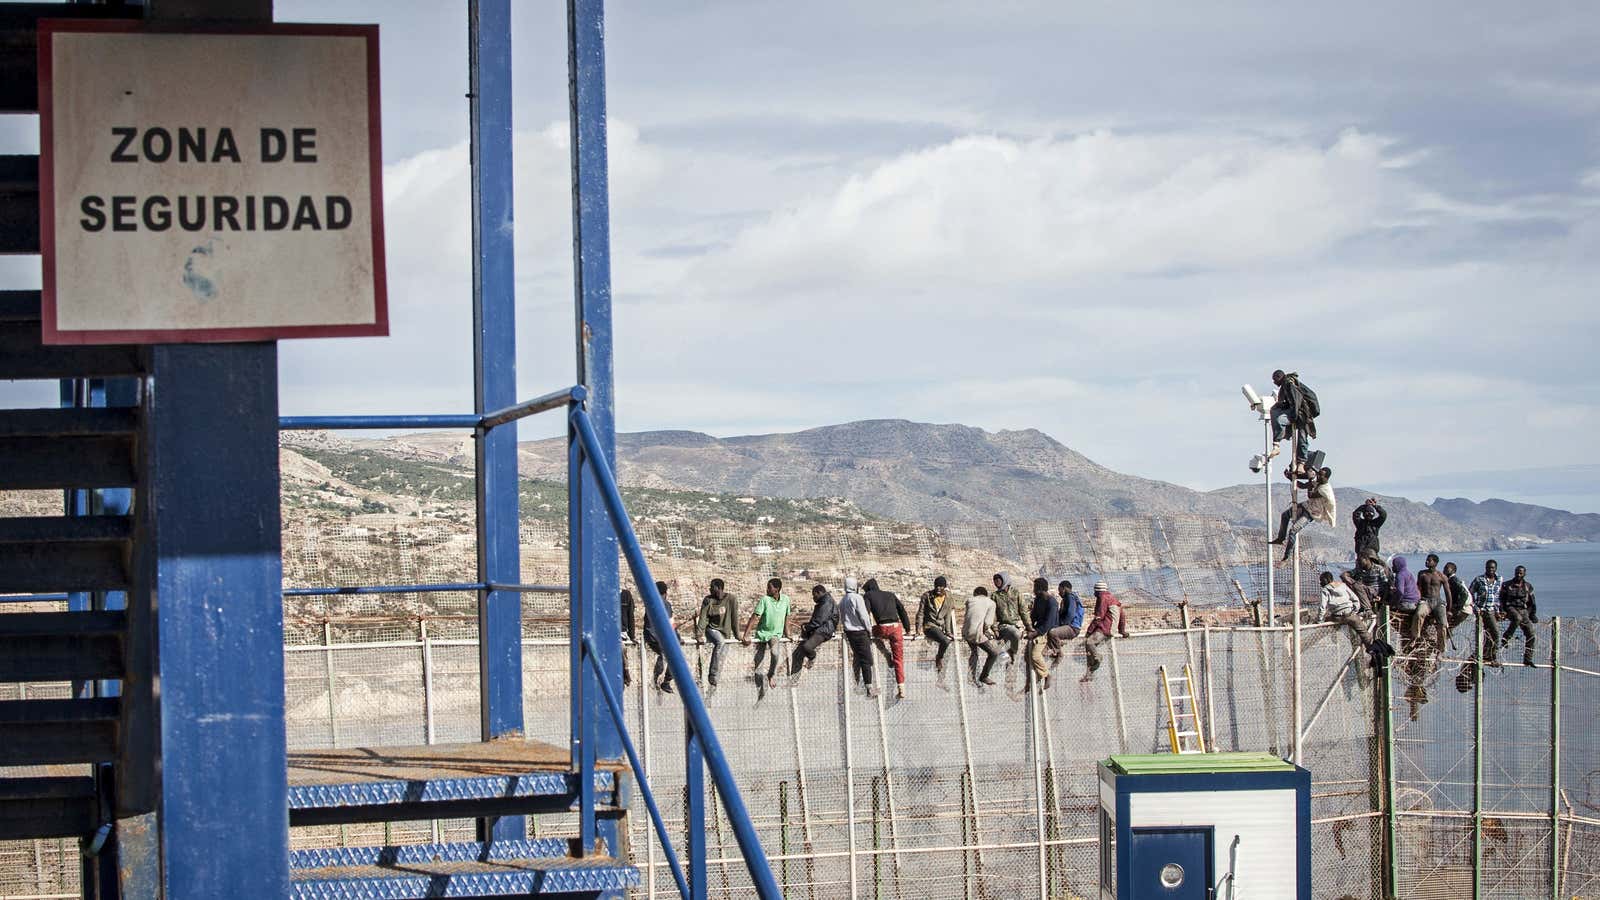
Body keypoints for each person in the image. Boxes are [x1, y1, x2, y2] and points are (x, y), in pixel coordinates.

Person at [1268, 466, 1337, 561]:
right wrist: (1290, 477)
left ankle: (1286, 557)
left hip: (1313, 513)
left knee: (1293, 530)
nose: (1318, 476)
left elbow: (1311, 495)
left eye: (1321, 475)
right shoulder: (1318, 482)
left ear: (1326, 477)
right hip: (1307, 506)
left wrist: (1310, 478)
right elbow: (1303, 486)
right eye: (1319, 474)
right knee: (1285, 515)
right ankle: (1280, 538)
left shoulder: (1325, 490)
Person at [864, 577, 912, 699]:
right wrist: (907, 628)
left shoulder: (868, 595)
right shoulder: (890, 594)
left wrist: (866, 627)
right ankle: (902, 688)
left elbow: (866, 612)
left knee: (872, 635)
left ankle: (885, 653)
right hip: (896, 628)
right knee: (899, 660)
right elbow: (902, 610)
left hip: (881, 628)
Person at [741, 578, 792, 689]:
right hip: (762, 633)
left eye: (769, 587)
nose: (767, 589)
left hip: (774, 634)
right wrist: (746, 634)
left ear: (777, 589)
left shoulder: (786, 600)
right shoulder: (765, 600)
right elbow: (755, 617)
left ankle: (771, 674)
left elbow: (787, 616)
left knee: (775, 653)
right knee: (758, 659)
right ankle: (759, 684)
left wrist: (787, 633)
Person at [1319, 570, 1375, 658]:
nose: (1320, 583)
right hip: (1350, 614)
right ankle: (1372, 649)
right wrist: (1355, 611)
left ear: (1324, 581)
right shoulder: (1342, 585)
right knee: (1364, 633)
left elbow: (1322, 607)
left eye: (1321, 581)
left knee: (1328, 620)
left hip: (1337, 617)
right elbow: (1355, 599)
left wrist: (1319, 620)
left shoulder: (1325, 590)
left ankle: (1335, 638)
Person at [1268, 369, 1319, 466]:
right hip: (1297, 412)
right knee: (1277, 416)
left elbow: (1297, 401)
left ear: (1279, 377)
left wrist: (1293, 417)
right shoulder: (1285, 386)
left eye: (1274, 379)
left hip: (1303, 414)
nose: (1274, 382)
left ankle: (1301, 463)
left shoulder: (1289, 384)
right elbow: (1288, 402)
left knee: (1302, 437)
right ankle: (1277, 444)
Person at [694, 578, 739, 687]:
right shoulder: (708, 600)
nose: (710, 589)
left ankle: (713, 686)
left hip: (725, 634)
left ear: (719, 588)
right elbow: (703, 618)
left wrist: (738, 635)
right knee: (720, 642)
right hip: (712, 630)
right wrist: (699, 634)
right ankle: (712, 674)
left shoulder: (731, 599)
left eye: (712, 587)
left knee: (721, 658)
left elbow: (735, 618)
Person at [643, 580, 685, 694]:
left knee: (665, 653)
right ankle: (664, 681)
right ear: (665, 593)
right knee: (672, 654)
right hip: (658, 636)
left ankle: (659, 679)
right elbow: (670, 624)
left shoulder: (649, 602)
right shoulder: (666, 604)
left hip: (650, 635)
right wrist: (678, 637)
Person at [1081, 581, 1128, 682]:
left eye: (1095, 591)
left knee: (1089, 642)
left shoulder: (1102, 598)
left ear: (1098, 591)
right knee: (1089, 650)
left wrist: (1089, 631)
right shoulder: (1114, 599)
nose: (1094, 593)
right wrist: (1122, 631)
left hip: (1104, 628)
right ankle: (1089, 674)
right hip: (1110, 629)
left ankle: (1098, 657)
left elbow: (1099, 617)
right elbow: (1122, 616)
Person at [790, 584, 838, 679]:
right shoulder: (823, 602)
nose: (813, 597)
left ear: (819, 593)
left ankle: (812, 657)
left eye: (814, 595)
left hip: (824, 630)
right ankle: (795, 678)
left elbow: (820, 620)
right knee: (798, 653)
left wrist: (808, 627)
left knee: (807, 647)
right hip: (821, 628)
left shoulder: (826, 602)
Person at [839, 576, 877, 696]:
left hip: (849, 633)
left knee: (858, 658)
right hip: (860, 632)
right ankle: (869, 688)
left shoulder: (843, 600)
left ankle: (857, 683)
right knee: (867, 660)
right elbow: (864, 616)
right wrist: (869, 629)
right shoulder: (857, 598)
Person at [962, 586, 1006, 685]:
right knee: (993, 653)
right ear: (985, 594)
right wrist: (989, 633)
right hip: (977, 633)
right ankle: (984, 676)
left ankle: (971, 678)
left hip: (965, 632)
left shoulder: (970, 600)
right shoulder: (991, 603)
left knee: (974, 654)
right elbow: (987, 622)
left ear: (976, 594)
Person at [1499, 565, 1537, 667]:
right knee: (1517, 618)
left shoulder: (1528, 586)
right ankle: (1506, 637)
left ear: (1524, 574)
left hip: (1523, 610)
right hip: (1510, 608)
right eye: (1517, 572)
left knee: (1531, 634)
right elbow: (1501, 599)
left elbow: (1532, 602)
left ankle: (1528, 659)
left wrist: (1532, 614)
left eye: (1521, 573)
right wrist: (1502, 610)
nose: (1518, 575)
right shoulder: (1506, 585)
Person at [1025, 577, 1060, 690]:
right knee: (1027, 656)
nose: (1033, 590)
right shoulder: (1038, 600)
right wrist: (1029, 627)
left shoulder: (1051, 602)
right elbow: (1034, 616)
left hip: (1045, 632)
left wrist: (1035, 633)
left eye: (1035, 587)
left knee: (1035, 655)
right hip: (1038, 630)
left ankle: (1046, 675)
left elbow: (1049, 623)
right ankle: (1035, 677)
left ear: (1040, 588)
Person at [1414, 554, 1450, 653]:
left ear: (1435, 563)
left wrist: (1449, 609)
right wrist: (1417, 600)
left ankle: (1441, 648)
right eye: (1426, 560)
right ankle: (1415, 637)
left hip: (1438, 601)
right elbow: (1418, 588)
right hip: (1425, 600)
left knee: (1443, 624)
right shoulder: (1422, 574)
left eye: (1429, 561)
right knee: (1419, 614)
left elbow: (1448, 593)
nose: (1426, 562)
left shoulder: (1441, 576)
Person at [1469, 560, 1503, 666]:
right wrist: (1475, 607)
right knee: (1488, 634)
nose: (1490, 570)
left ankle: (1488, 655)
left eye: (1492, 568)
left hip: (1492, 610)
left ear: (1496, 568)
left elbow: (1498, 597)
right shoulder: (1479, 579)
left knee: (1492, 634)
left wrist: (1499, 611)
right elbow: (1470, 593)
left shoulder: (1499, 580)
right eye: (1488, 568)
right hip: (1482, 611)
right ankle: (1487, 656)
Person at [991, 573, 1026, 661]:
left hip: (1017, 624)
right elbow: (992, 614)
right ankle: (1011, 652)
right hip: (1003, 626)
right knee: (1015, 633)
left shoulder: (1016, 593)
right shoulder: (994, 596)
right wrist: (995, 629)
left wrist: (1028, 626)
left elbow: (1023, 611)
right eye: (995, 581)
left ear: (1004, 580)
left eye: (998, 580)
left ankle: (1011, 653)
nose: (996, 583)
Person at [1048, 580, 1084, 654]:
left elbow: (1070, 614)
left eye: (1060, 590)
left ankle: (1058, 653)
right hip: (1071, 626)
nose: (1059, 593)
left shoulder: (1070, 598)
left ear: (1064, 589)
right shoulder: (1067, 599)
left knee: (1052, 632)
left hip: (1073, 628)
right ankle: (1058, 645)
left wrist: (1063, 624)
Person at [1443, 562, 1473, 634]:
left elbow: (1464, 594)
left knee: (1447, 627)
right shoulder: (1451, 580)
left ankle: (1442, 644)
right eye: (1444, 568)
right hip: (1463, 608)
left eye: (1447, 568)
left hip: (1464, 609)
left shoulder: (1453, 580)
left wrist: (1457, 608)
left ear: (1453, 570)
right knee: (1447, 627)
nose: (1444, 570)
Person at [619, 588, 637, 686]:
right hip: (610, 633)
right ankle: (625, 672)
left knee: (622, 649)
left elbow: (631, 616)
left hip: (621, 632)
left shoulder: (626, 595)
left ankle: (625, 671)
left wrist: (632, 636)